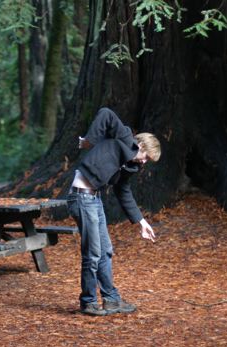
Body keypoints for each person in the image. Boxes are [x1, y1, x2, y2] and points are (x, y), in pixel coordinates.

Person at [67, 107, 161, 316]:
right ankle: (88, 302)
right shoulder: (124, 137)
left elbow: (123, 192)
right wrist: (90, 140)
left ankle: (111, 300)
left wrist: (142, 222)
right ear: (141, 145)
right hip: (81, 197)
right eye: (146, 156)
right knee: (92, 253)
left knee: (105, 251)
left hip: (94, 200)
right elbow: (106, 113)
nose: (144, 162)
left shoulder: (130, 165)